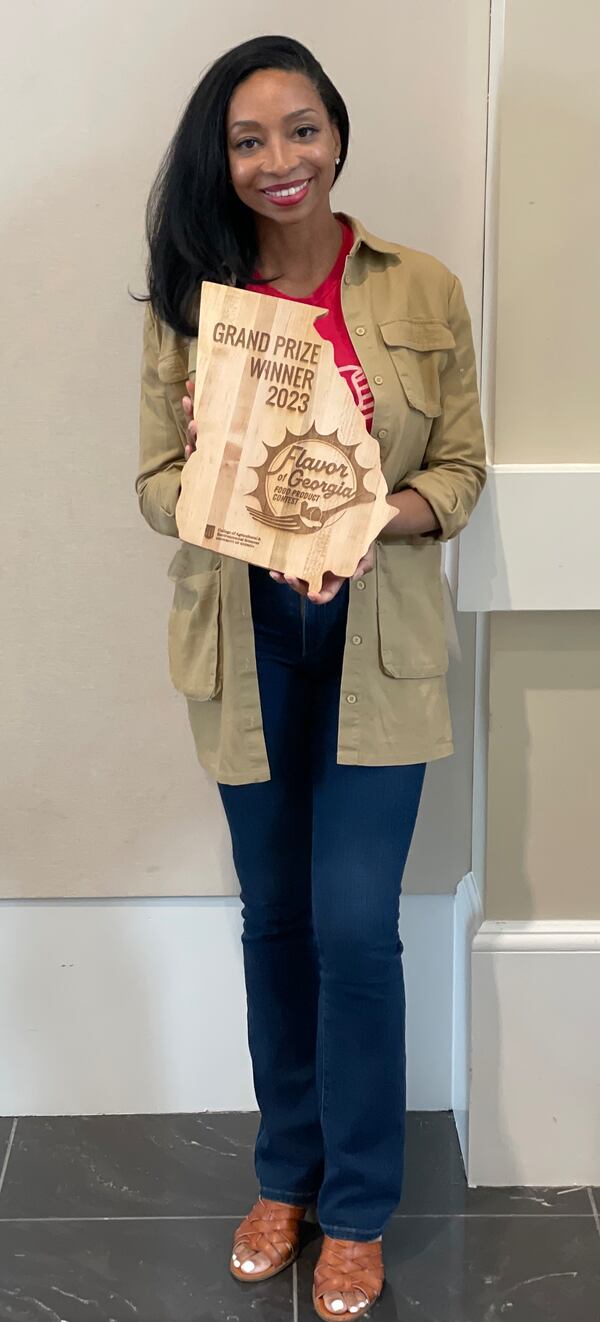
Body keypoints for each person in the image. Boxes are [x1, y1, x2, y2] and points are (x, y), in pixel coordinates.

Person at [135, 34, 487, 1320]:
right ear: (220, 161)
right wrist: (217, 483)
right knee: (274, 917)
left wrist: (375, 517)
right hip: (248, 648)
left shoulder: (420, 287)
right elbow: (153, 486)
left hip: (379, 646)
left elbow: (460, 470)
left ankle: (358, 1208)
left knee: (353, 924)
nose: (279, 159)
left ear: (336, 135)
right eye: (248, 140)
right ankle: (285, 1176)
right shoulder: (198, 302)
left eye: (300, 129)